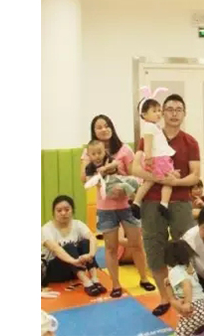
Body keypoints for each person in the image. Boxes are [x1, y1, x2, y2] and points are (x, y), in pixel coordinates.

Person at [132, 94, 201, 316]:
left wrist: (175, 182)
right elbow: (135, 168)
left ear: (184, 113)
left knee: (186, 249)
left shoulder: (190, 142)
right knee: (154, 248)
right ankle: (165, 298)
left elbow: (195, 175)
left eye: (178, 109)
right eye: (169, 109)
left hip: (181, 201)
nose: (173, 113)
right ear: (162, 112)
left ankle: (191, 299)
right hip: (152, 202)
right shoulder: (150, 135)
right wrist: (160, 178)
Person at [79, 115, 154, 298]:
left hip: (126, 205)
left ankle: (144, 278)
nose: (103, 129)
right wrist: (98, 175)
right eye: (99, 127)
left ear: (112, 128)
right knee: (110, 247)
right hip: (106, 207)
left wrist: (124, 186)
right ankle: (116, 284)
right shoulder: (89, 152)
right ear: (93, 131)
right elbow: (84, 178)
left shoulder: (124, 150)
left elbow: (135, 174)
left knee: (136, 243)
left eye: (106, 126)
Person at [41, 196, 106, 296]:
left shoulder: (78, 224)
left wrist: (90, 255)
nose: (63, 213)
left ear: (72, 211)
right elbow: (55, 248)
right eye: (59, 210)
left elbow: (92, 238)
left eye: (67, 210)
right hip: (54, 271)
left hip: (75, 269)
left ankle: (94, 279)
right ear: (53, 212)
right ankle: (87, 282)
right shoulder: (46, 229)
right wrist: (74, 261)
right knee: (69, 247)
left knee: (86, 242)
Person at [165, 240, 204, 336]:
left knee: (181, 332)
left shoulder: (174, 271)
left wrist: (187, 302)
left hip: (194, 306)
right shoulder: (189, 267)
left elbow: (187, 284)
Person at [132, 97, 177, 220]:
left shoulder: (153, 126)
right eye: (154, 111)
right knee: (168, 181)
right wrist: (148, 158)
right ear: (144, 114)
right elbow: (148, 143)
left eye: (159, 110)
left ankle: (136, 202)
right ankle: (164, 203)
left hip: (157, 158)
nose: (158, 113)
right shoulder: (149, 127)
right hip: (160, 159)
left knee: (149, 181)